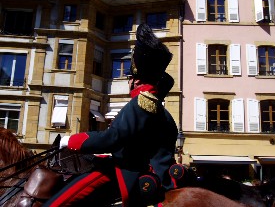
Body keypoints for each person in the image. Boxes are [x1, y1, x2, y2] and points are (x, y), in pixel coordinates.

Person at [44, 23, 178, 207]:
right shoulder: (165, 113)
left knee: (58, 202)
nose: (128, 82)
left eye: (128, 78)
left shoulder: (141, 103)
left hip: (128, 173)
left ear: (135, 80)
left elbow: (112, 138)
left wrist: (70, 141)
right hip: (157, 175)